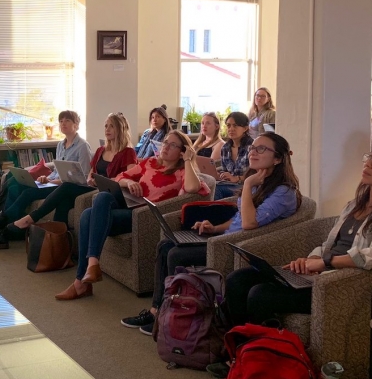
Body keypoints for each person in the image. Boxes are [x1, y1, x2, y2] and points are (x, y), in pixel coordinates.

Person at [121, 132, 301, 335]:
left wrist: (248, 183)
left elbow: (250, 223)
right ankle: (158, 311)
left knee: (176, 254)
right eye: (253, 148)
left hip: (238, 245)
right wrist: (214, 228)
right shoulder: (260, 181)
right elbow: (239, 219)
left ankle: (172, 316)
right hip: (225, 237)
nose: (253, 152)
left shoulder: (283, 192)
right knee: (165, 246)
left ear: (278, 158)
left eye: (261, 149)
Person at [55, 130, 210, 300]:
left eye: (173, 145)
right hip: (129, 206)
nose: (166, 147)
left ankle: (82, 281)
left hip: (143, 217)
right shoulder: (150, 162)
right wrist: (129, 182)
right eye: (165, 142)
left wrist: (188, 159)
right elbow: (120, 177)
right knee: (100, 200)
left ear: (183, 151)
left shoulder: (181, 171)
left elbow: (193, 188)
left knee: (88, 216)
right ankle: (91, 266)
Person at [224, 151, 372, 327]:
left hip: (339, 284)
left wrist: (325, 263)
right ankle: (238, 344)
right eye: (367, 158)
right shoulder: (354, 204)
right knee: (238, 279)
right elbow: (329, 243)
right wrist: (312, 259)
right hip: (321, 272)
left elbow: (368, 256)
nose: (367, 163)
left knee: (261, 294)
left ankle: (256, 350)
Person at [0, 112, 136, 250]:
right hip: (89, 186)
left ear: (120, 129)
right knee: (61, 201)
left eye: (111, 126)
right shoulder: (101, 150)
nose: (107, 129)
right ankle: (57, 247)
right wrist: (91, 178)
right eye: (106, 126)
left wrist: (99, 180)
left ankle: (27, 220)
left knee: (65, 188)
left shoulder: (127, 152)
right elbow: (90, 173)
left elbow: (128, 176)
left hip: (102, 192)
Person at [215, 112, 254, 199]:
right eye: (228, 126)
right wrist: (221, 175)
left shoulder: (252, 147)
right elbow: (225, 170)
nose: (231, 129)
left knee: (216, 189)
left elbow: (258, 174)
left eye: (235, 125)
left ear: (245, 128)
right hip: (229, 184)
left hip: (246, 186)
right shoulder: (225, 148)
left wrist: (237, 178)